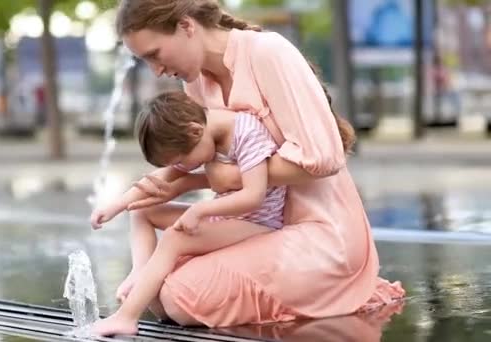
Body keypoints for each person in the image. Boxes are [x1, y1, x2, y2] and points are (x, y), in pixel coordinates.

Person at [93, 0, 405, 333]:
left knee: (177, 296)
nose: (156, 70)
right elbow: (191, 162)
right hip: (248, 220)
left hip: (317, 232)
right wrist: (132, 199)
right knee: (155, 286)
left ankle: (332, 287)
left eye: (155, 54)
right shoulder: (197, 81)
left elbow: (325, 158)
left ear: (186, 26)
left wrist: (224, 177)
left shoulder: (267, 53)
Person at [90, 91, 287, 335]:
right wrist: (117, 205)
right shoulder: (200, 136)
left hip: (256, 221)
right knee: (142, 211)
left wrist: (201, 209)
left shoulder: (247, 134)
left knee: (176, 237)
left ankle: (127, 317)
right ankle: (140, 271)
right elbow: (160, 179)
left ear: (195, 131)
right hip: (225, 216)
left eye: (183, 160)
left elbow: (253, 196)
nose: (184, 168)